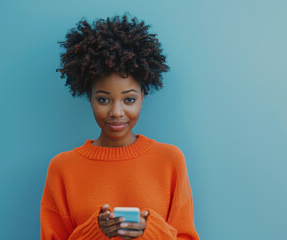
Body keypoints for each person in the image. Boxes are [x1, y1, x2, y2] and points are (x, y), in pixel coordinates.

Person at [40, 13, 200, 240]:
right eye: (103, 99)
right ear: (89, 97)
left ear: (143, 96)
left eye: (129, 99)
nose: (116, 112)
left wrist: (150, 231)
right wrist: (95, 231)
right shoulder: (62, 168)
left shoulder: (170, 160)